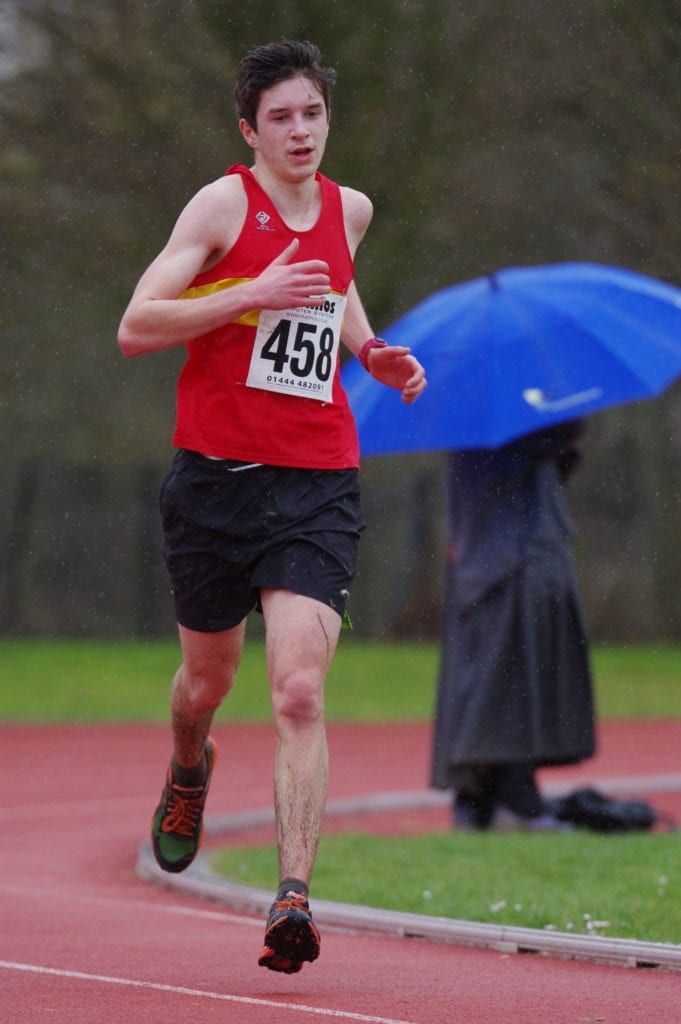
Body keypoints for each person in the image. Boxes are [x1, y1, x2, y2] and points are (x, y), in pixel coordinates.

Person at [117, 40, 426, 974]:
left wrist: (367, 350)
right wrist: (250, 291)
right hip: (213, 484)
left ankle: (291, 896)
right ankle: (189, 765)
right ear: (248, 131)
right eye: (280, 118)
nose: (300, 131)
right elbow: (136, 326)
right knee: (205, 685)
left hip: (315, 480)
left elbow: (335, 285)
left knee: (297, 690)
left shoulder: (349, 208)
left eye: (312, 114)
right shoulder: (220, 206)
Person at [431, 420, 595, 830]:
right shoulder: (506, 415)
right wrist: (568, 422)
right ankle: (512, 796)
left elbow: (545, 461)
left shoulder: (477, 415)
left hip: (491, 555)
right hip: (508, 557)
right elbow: (534, 447)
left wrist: (561, 441)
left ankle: (478, 797)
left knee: (489, 675)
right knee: (511, 672)